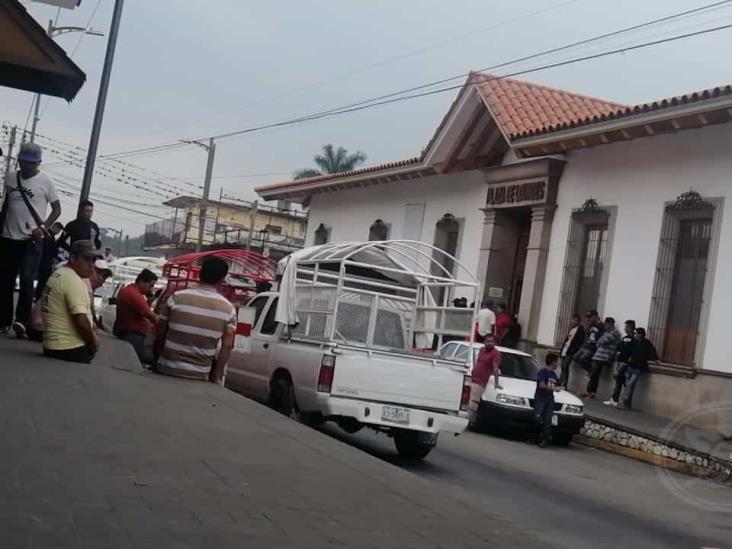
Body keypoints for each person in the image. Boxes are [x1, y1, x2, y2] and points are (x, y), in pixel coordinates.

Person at [0, 143, 61, 337]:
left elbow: (56, 209)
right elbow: (6, 205)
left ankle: (22, 320)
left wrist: (43, 228)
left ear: (38, 164)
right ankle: (4, 320)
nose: (27, 167)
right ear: (19, 161)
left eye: (31, 164)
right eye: (24, 162)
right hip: (8, 237)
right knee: (5, 281)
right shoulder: (10, 179)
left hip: (31, 240)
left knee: (27, 279)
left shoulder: (46, 181)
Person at [155, 257, 236, 383]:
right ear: (222, 279)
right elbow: (227, 345)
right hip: (200, 375)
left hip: (167, 369)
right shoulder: (228, 309)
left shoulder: (176, 298)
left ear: (200, 274)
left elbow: (160, 333)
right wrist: (217, 374)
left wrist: (157, 359)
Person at [41, 240, 100, 364]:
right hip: (68, 348)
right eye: (87, 259)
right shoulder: (72, 280)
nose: (91, 265)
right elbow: (81, 321)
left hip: (52, 345)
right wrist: (92, 343)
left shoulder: (59, 273)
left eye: (93, 260)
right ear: (73, 258)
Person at [28, 256, 111, 342]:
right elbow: (85, 320)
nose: (101, 278)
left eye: (104, 276)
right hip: (45, 330)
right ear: (90, 269)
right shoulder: (83, 281)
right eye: (98, 272)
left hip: (35, 327)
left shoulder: (64, 274)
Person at [115, 268, 159, 361]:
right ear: (142, 281)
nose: (151, 289)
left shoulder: (129, 290)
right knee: (133, 363)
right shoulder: (134, 295)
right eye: (150, 286)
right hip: (133, 335)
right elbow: (151, 316)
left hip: (127, 332)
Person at [468, 333, 502, 428]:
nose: (490, 343)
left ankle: (470, 422)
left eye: (492, 341)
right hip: (473, 378)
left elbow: (495, 369)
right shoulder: (482, 350)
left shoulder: (496, 354)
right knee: (467, 400)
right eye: (488, 341)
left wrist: (496, 383)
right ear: (484, 342)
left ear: (495, 343)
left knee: (473, 402)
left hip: (480, 382)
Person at [620, 328, 658, 410]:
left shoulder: (646, 343)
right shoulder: (633, 342)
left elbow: (652, 352)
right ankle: (627, 405)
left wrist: (655, 359)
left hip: (639, 368)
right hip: (630, 367)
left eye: (636, 334)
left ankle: (625, 400)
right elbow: (626, 351)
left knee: (630, 384)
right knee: (629, 385)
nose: (634, 335)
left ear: (640, 335)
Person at [585, 317, 622, 399]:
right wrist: (600, 341)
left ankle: (591, 392)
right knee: (593, 374)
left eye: (606, 324)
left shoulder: (616, 333)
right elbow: (598, 342)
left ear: (610, 324)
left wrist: (601, 341)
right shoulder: (606, 332)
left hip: (605, 356)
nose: (605, 326)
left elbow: (604, 341)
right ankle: (590, 391)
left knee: (594, 373)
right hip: (598, 355)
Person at [604, 320, 636, 407]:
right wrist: (617, 353)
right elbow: (620, 347)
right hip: (620, 361)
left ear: (631, 327)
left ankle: (620, 400)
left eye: (626, 327)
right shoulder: (624, 338)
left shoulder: (634, 339)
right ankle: (614, 399)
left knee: (619, 377)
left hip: (625, 363)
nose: (625, 328)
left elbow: (634, 351)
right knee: (619, 381)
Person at [534, 353, 563, 447]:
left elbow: (558, 385)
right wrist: (554, 389)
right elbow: (541, 385)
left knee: (548, 420)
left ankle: (545, 439)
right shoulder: (542, 372)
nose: (557, 364)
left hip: (550, 400)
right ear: (552, 362)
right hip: (541, 398)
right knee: (537, 418)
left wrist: (561, 388)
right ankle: (534, 437)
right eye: (556, 362)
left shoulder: (554, 375)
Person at [34, 221, 64, 301]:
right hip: (44, 261)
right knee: (42, 281)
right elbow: (48, 247)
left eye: (59, 231)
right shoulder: (47, 235)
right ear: (54, 227)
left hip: (47, 261)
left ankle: (39, 296)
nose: (57, 232)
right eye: (57, 229)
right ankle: (38, 297)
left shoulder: (51, 236)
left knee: (44, 281)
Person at [570, 310, 602, 377]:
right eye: (588, 317)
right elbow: (587, 333)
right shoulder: (591, 325)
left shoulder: (601, 325)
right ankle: (590, 370)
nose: (589, 319)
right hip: (587, 345)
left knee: (582, 359)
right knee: (575, 357)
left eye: (590, 317)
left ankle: (591, 371)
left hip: (593, 347)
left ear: (595, 316)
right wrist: (587, 324)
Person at [559, 314, 585, 388]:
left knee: (565, 366)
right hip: (565, 350)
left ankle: (563, 382)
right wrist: (561, 350)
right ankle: (562, 382)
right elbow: (567, 340)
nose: (574, 322)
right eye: (573, 320)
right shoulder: (571, 329)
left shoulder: (580, 329)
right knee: (563, 367)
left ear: (579, 321)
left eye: (576, 320)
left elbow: (579, 341)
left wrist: (574, 349)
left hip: (570, 351)